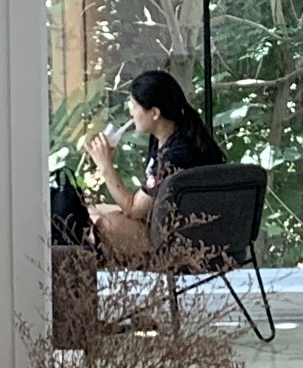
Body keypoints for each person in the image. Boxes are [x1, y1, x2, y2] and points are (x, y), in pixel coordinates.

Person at [79, 68, 224, 262]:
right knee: (88, 211)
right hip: (163, 221)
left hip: (178, 238)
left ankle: (85, 273)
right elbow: (147, 200)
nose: (131, 112)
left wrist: (105, 166)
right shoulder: (169, 139)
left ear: (154, 113)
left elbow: (134, 209)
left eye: (134, 106)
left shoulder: (175, 155)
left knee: (104, 224)